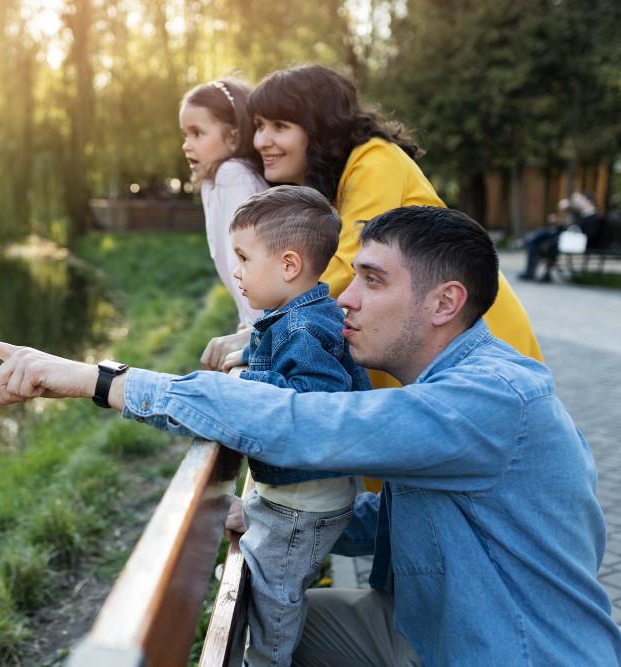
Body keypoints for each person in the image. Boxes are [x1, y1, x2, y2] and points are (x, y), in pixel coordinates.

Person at [0, 205, 621, 666]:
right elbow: (404, 517)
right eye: (351, 274)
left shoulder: (490, 400)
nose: (345, 300)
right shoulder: (446, 391)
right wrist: (271, 511)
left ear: (443, 304)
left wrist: (98, 379)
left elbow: (303, 422)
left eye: (372, 279)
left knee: (264, 629)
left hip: (512, 652)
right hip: (428, 631)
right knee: (252, 615)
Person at [200, 63, 542, 379]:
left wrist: (263, 333)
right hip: (426, 338)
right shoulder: (329, 182)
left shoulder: (374, 160)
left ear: (319, 128)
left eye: (280, 126)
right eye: (259, 126)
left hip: (469, 339)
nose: (262, 141)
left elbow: (343, 264)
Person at [220, 185, 371, 666]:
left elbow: (318, 402)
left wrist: (248, 376)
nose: (236, 272)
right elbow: (291, 360)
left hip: (301, 503)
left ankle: (265, 662)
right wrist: (250, 353)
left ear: (288, 266)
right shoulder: (307, 315)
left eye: (243, 258)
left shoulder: (302, 327)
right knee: (267, 587)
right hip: (298, 497)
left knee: (273, 600)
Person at [180, 78, 269, 328]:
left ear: (233, 137)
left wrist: (255, 326)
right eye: (185, 134)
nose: (186, 145)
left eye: (198, 133)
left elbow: (246, 262)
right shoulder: (214, 178)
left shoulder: (233, 175)